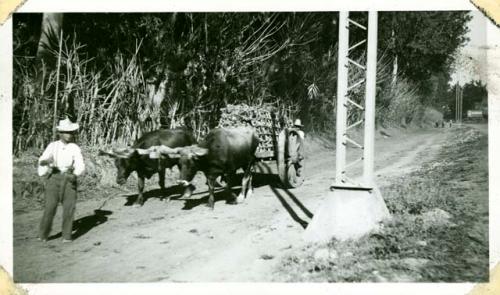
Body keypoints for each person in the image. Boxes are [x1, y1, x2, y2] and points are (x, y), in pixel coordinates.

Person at [37, 118, 85, 242]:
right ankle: (43, 234)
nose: (69, 135)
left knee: (69, 208)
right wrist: (47, 162)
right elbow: (41, 161)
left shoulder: (75, 147)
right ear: (60, 133)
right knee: (50, 207)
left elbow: (80, 164)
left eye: (71, 132)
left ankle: (67, 235)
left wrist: (75, 174)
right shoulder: (52, 146)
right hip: (54, 177)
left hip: (69, 179)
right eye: (66, 132)